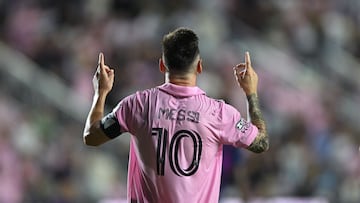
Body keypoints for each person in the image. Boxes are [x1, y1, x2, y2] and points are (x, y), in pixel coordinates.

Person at [83, 27, 269, 203]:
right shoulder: (218, 113)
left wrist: (101, 93)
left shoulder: (138, 105)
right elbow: (261, 142)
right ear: (199, 67)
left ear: (162, 65)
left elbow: (92, 137)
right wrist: (251, 92)